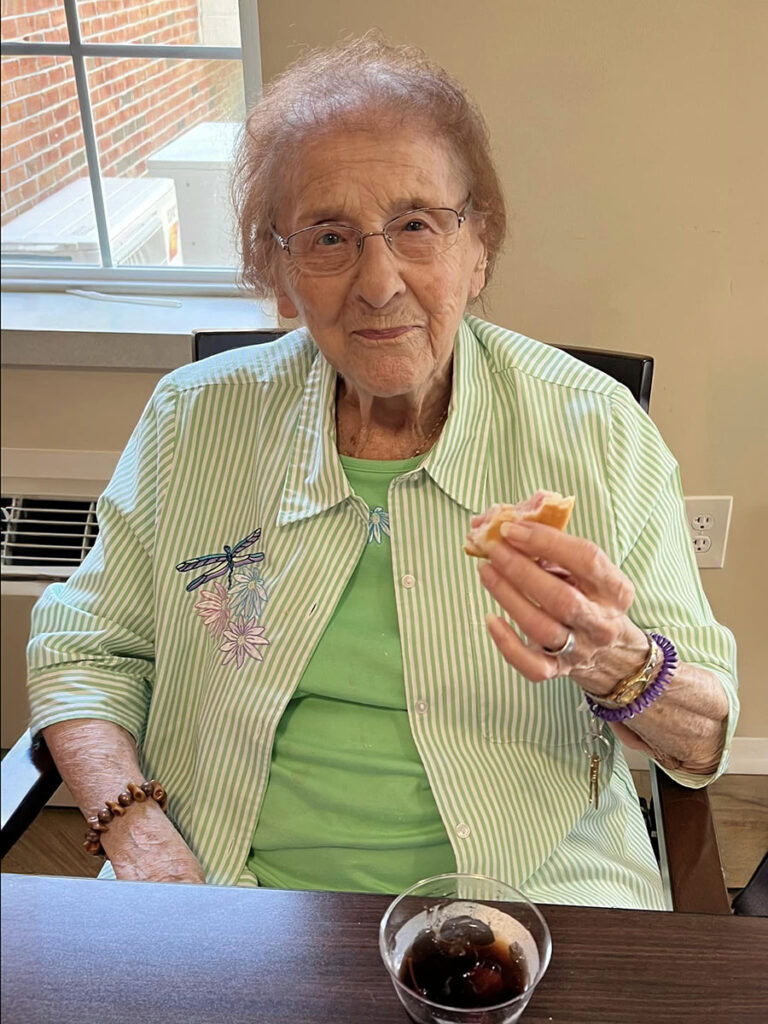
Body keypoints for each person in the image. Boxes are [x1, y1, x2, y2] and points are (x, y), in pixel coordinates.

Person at [27, 36, 737, 909]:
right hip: (222, 893)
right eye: (328, 236)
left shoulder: (596, 429)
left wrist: (620, 666)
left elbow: (703, 743)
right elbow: (84, 649)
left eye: (416, 226)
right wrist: (134, 829)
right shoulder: (194, 417)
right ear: (280, 274)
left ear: (479, 249)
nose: (378, 282)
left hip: (537, 894)